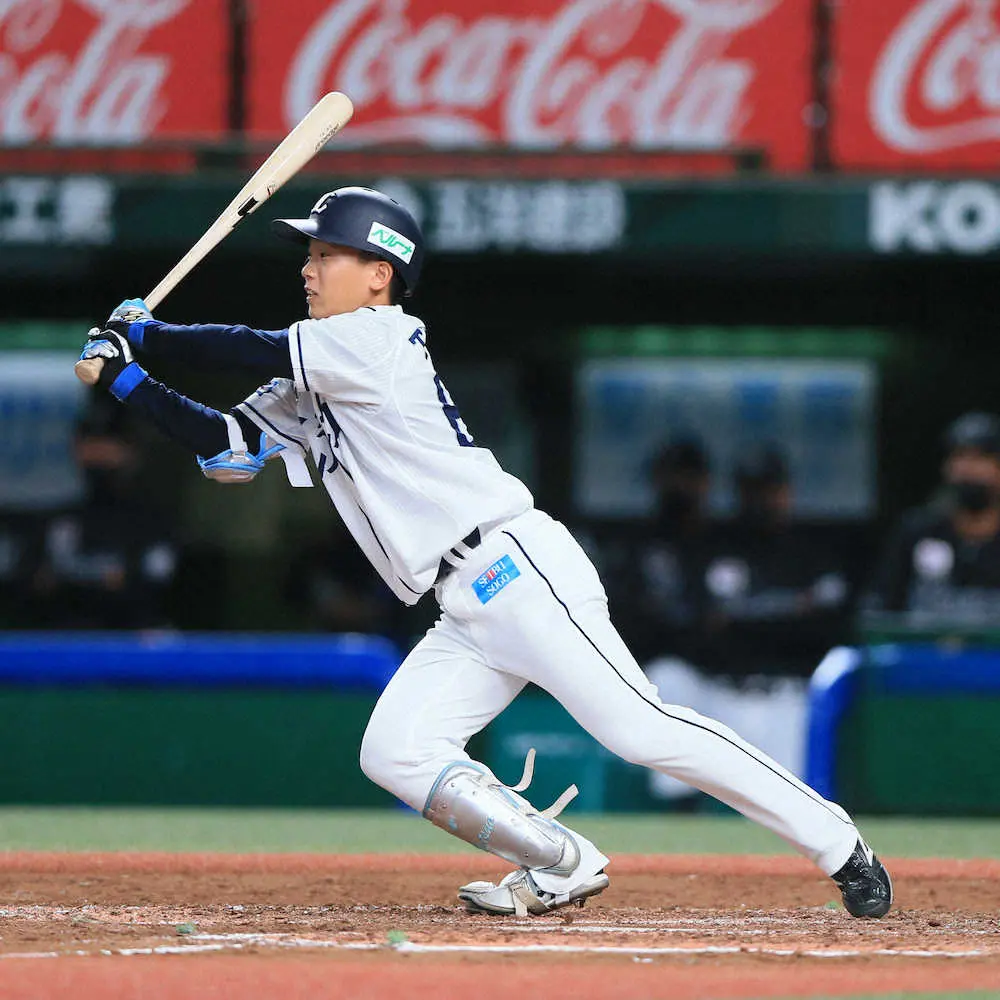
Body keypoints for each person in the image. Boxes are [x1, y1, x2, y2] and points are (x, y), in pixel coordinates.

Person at [78, 186, 891, 918]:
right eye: (311, 254)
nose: (309, 268)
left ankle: (836, 841)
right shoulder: (313, 374)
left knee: (642, 730)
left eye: (328, 254)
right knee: (396, 751)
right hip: (460, 603)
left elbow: (245, 346)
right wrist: (125, 380)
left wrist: (145, 333)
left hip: (514, 568)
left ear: (379, 274)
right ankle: (561, 862)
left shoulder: (379, 337)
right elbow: (227, 450)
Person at [32, 396, 177, 630]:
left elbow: (155, 589)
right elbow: (35, 586)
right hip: (65, 640)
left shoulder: (153, 522)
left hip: (131, 639)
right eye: (90, 444)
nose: (99, 454)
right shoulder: (57, 518)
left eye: (109, 445)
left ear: (131, 452)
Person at [863, 412, 1000, 626]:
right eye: (959, 457)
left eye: (980, 459)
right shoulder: (918, 531)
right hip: (923, 646)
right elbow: (879, 607)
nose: (968, 469)